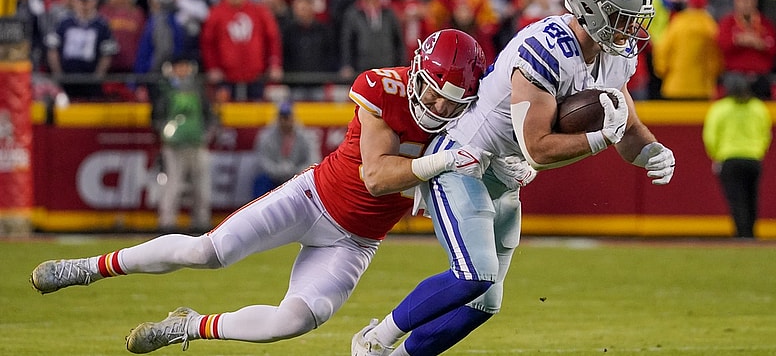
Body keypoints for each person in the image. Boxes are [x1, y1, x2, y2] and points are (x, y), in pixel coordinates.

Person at [29, 29, 496, 354]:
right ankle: (89, 268)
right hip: (313, 199)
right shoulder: (381, 87)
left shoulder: (467, 121)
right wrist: (441, 162)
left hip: (357, 241)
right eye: (433, 92)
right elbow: (375, 176)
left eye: (451, 102)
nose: (438, 106)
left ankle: (187, 326)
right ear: (417, 70)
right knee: (207, 252)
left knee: (293, 322)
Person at [352, 0, 677, 356]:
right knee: (474, 275)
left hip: (504, 172)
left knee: (484, 302)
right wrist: (599, 139)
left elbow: (626, 127)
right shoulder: (547, 49)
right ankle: (374, 340)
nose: (632, 29)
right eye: (623, 17)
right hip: (464, 158)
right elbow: (537, 149)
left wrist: (651, 151)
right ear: (592, 10)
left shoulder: (615, 55)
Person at [150, 54, 218, 233]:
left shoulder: (198, 87)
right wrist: (165, 134)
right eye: (179, 66)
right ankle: (167, 223)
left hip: (197, 144)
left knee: (201, 187)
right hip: (174, 146)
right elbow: (156, 115)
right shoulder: (164, 88)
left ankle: (201, 223)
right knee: (173, 185)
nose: (182, 70)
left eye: (185, 66)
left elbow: (210, 113)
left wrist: (206, 134)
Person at [702, 73, 772, 238]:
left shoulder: (720, 108)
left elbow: (710, 136)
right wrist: (758, 151)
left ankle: (742, 234)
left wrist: (716, 155)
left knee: (736, 199)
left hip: (729, 158)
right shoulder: (758, 107)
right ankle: (750, 234)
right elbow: (766, 133)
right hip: (753, 158)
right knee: (751, 197)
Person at [251, 100, 320, 197]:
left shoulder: (306, 136)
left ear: (293, 117)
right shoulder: (266, 136)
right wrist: (279, 171)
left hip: (298, 178)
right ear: (278, 118)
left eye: (287, 117)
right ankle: (260, 207)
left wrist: (295, 172)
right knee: (261, 180)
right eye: (282, 117)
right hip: (273, 177)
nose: (285, 121)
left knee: (312, 181)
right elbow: (262, 162)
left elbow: (313, 160)